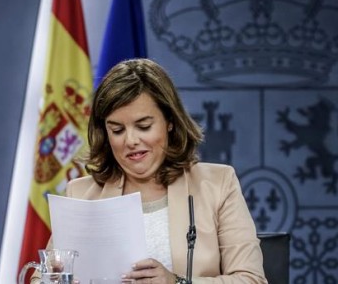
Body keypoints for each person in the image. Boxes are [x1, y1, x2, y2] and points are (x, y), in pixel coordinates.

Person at [35, 58, 267, 283]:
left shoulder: (217, 184)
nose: (131, 140)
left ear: (170, 121)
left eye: (143, 126)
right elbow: (42, 277)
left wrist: (176, 283)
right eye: (117, 130)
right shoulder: (81, 194)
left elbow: (251, 279)